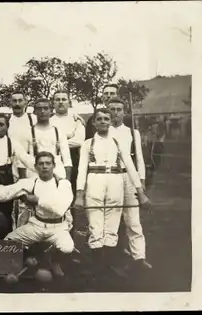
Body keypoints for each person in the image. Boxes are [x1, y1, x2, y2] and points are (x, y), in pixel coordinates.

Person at [73, 108, 151, 273]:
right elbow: (81, 170)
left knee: (112, 224)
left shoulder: (118, 142)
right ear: (93, 123)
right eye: (99, 119)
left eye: (106, 119)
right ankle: (97, 266)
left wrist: (141, 193)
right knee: (95, 223)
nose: (103, 121)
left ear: (110, 121)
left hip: (115, 181)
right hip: (94, 180)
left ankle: (108, 266)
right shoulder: (87, 144)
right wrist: (79, 195)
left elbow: (130, 167)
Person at [3, 151, 75, 277]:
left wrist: (37, 200)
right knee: (9, 240)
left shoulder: (63, 184)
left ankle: (53, 261)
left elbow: (59, 209)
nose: (45, 166)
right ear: (35, 167)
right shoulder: (31, 182)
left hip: (58, 227)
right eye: (41, 164)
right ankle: (29, 259)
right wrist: (22, 195)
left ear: (54, 166)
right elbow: (7, 192)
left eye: (48, 163)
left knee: (67, 248)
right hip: (37, 225)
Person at [108, 97, 152, 270]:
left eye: (119, 109)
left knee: (133, 220)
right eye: (112, 109)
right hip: (110, 178)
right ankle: (110, 258)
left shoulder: (133, 132)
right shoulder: (103, 131)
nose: (115, 113)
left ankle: (139, 257)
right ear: (108, 110)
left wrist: (141, 181)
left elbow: (139, 158)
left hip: (130, 178)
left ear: (124, 112)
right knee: (110, 219)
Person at [25, 98, 72, 180]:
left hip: (57, 174)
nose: (42, 111)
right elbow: (22, 160)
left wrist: (66, 181)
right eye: (39, 109)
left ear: (51, 111)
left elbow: (67, 160)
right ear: (35, 112)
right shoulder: (28, 132)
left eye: (46, 108)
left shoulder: (59, 132)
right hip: (35, 175)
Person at [50, 90, 86, 192]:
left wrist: (59, 142)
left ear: (69, 103)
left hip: (74, 158)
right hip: (55, 158)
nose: (60, 102)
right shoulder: (49, 121)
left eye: (63, 99)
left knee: (72, 187)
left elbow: (79, 141)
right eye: (57, 99)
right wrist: (69, 137)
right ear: (53, 103)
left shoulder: (76, 120)